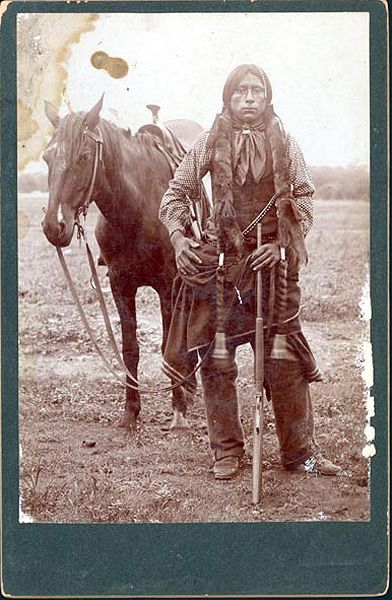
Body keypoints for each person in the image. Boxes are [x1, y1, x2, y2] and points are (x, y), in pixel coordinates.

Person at [159, 64, 340, 480]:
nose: (249, 98)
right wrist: (180, 238)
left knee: (285, 363)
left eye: (257, 90)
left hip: (272, 271)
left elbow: (305, 198)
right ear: (228, 98)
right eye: (240, 91)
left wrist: (280, 246)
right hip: (222, 270)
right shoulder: (208, 142)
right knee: (217, 360)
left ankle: (300, 454)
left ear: (267, 96)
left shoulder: (287, 144)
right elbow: (175, 195)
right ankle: (226, 452)